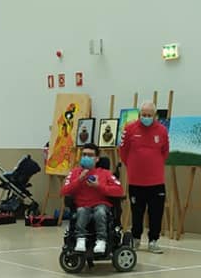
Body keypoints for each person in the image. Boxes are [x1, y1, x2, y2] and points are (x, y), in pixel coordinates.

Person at [120, 101, 170, 253]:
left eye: (149, 115)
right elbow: (123, 151)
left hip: (156, 182)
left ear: (155, 116)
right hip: (136, 182)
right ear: (139, 114)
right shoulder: (129, 129)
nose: (146, 117)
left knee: (156, 213)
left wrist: (154, 165)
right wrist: (134, 165)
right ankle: (136, 239)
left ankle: (153, 241)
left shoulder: (162, 130)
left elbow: (165, 152)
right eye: (143, 114)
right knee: (137, 213)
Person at [62, 142, 124, 254]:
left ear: (97, 159)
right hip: (82, 205)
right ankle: (80, 239)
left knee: (100, 212)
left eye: (90, 155)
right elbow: (64, 191)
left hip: (100, 205)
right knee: (81, 211)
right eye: (84, 154)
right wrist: (79, 180)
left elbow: (119, 190)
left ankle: (101, 240)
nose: (86, 157)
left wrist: (98, 186)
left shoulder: (105, 173)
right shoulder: (74, 173)